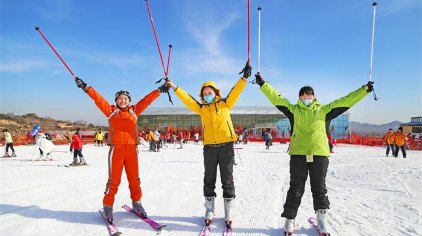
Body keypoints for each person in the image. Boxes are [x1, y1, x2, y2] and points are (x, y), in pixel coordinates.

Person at [254, 73, 373, 235]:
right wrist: (263, 84)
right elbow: (277, 98)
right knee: (295, 188)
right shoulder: (294, 110)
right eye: (303, 94)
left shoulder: (324, 110)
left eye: (309, 94)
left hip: (320, 154)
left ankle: (322, 220)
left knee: (319, 188)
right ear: (299, 97)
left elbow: (346, 101)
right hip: (298, 154)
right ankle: (289, 220)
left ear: (314, 96)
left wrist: (365, 90)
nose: (306, 96)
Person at [166, 61, 251, 227]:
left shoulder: (225, 103)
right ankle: (209, 208)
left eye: (209, 92)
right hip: (209, 148)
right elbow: (187, 99)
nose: (207, 95)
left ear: (216, 93)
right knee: (209, 179)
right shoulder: (201, 108)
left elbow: (236, 91)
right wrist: (174, 87)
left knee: (227, 179)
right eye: (204, 94)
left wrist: (244, 78)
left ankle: (228, 209)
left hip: (226, 146)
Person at [73, 76, 169, 223]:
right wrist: (86, 87)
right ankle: (108, 205)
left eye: (125, 98)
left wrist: (160, 90)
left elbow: (147, 100)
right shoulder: (111, 111)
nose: (123, 100)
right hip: (116, 150)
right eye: (120, 98)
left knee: (134, 180)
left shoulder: (135, 111)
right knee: (114, 181)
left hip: (132, 150)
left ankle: (137, 203)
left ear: (129, 100)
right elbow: (98, 99)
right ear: (116, 100)